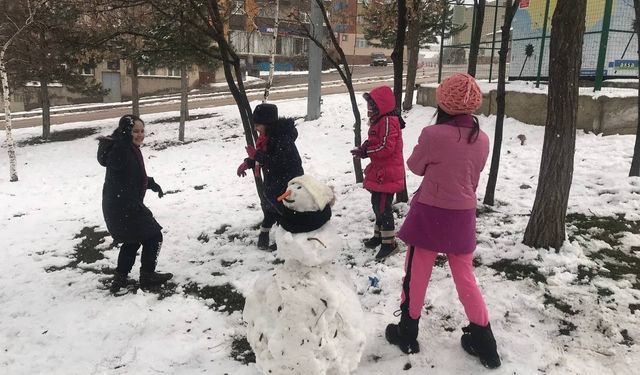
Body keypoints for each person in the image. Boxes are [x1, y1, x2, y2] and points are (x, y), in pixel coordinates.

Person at [384, 73, 500, 369]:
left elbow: (415, 166)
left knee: (416, 274)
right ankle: (485, 343)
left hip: (430, 215)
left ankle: (407, 333)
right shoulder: (482, 139)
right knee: (466, 279)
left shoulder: (433, 135)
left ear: (443, 103)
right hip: (462, 216)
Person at [97, 114, 173, 293]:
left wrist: (151, 184)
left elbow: (132, 175)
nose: (140, 135)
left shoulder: (127, 148)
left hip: (119, 205)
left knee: (132, 241)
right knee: (154, 236)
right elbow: (119, 163)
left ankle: (120, 278)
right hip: (124, 206)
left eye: (142, 131)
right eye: (135, 131)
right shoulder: (121, 150)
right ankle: (147, 275)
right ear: (125, 132)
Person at [237, 103, 304, 250]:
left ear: (267, 123)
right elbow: (267, 157)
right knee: (272, 208)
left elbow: (278, 163)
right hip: (276, 182)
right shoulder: (267, 137)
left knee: (285, 212)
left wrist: (256, 155)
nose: (256, 128)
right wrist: (249, 162)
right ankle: (265, 235)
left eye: (258, 124)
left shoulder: (282, 139)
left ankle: (288, 242)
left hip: (287, 182)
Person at [350, 85, 405, 260]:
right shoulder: (380, 121)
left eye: (373, 105)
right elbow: (375, 139)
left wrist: (367, 152)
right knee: (377, 205)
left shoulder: (389, 121)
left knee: (383, 207)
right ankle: (379, 236)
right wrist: (364, 147)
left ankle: (389, 243)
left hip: (388, 172)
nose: (370, 109)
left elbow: (386, 147)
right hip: (381, 171)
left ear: (382, 105)